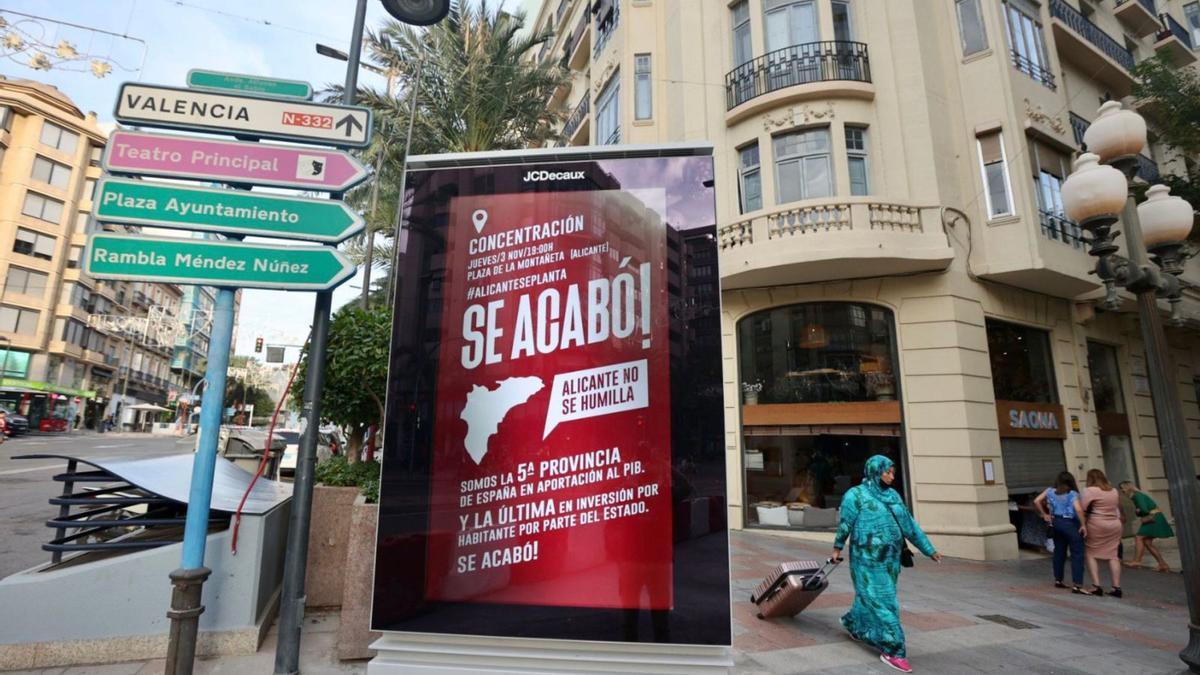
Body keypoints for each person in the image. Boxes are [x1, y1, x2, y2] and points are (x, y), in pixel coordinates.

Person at [831, 455, 941, 674]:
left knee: (870, 596)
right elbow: (845, 524)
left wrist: (929, 549)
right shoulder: (856, 495)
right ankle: (894, 649)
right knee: (885, 602)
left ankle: (854, 624)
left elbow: (909, 525)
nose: (891, 477)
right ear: (874, 471)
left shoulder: (893, 496)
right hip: (865, 558)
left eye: (893, 473)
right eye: (887, 472)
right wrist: (837, 548)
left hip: (890, 560)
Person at [1033, 471, 1086, 593]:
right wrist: (1083, 525)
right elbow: (1078, 509)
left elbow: (1036, 501)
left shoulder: (1050, 491)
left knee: (1059, 552)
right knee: (1077, 553)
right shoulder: (1072, 493)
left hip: (1056, 522)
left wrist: (1044, 514)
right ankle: (1077, 584)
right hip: (1070, 524)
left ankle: (1058, 579)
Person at [1080, 469, 1123, 597]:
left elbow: (1082, 508)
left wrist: (1082, 524)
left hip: (1097, 524)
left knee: (1091, 553)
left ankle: (1096, 586)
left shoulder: (1090, 491)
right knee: (1113, 555)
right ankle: (1116, 587)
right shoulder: (1113, 491)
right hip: (1115, 524)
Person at [1119, 481, 1174, 573]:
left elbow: (1144, 510)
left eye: (1122, 488)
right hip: (1155, 517)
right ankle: (1163, 564)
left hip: (1153, 518)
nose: (1121, 490)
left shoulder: (1136, 496)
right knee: (1147, 542)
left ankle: (1136, 561)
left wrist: (1137, 512)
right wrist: (1138, 511)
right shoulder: (1138, 495)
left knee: (1138, 537)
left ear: (1128, 488)